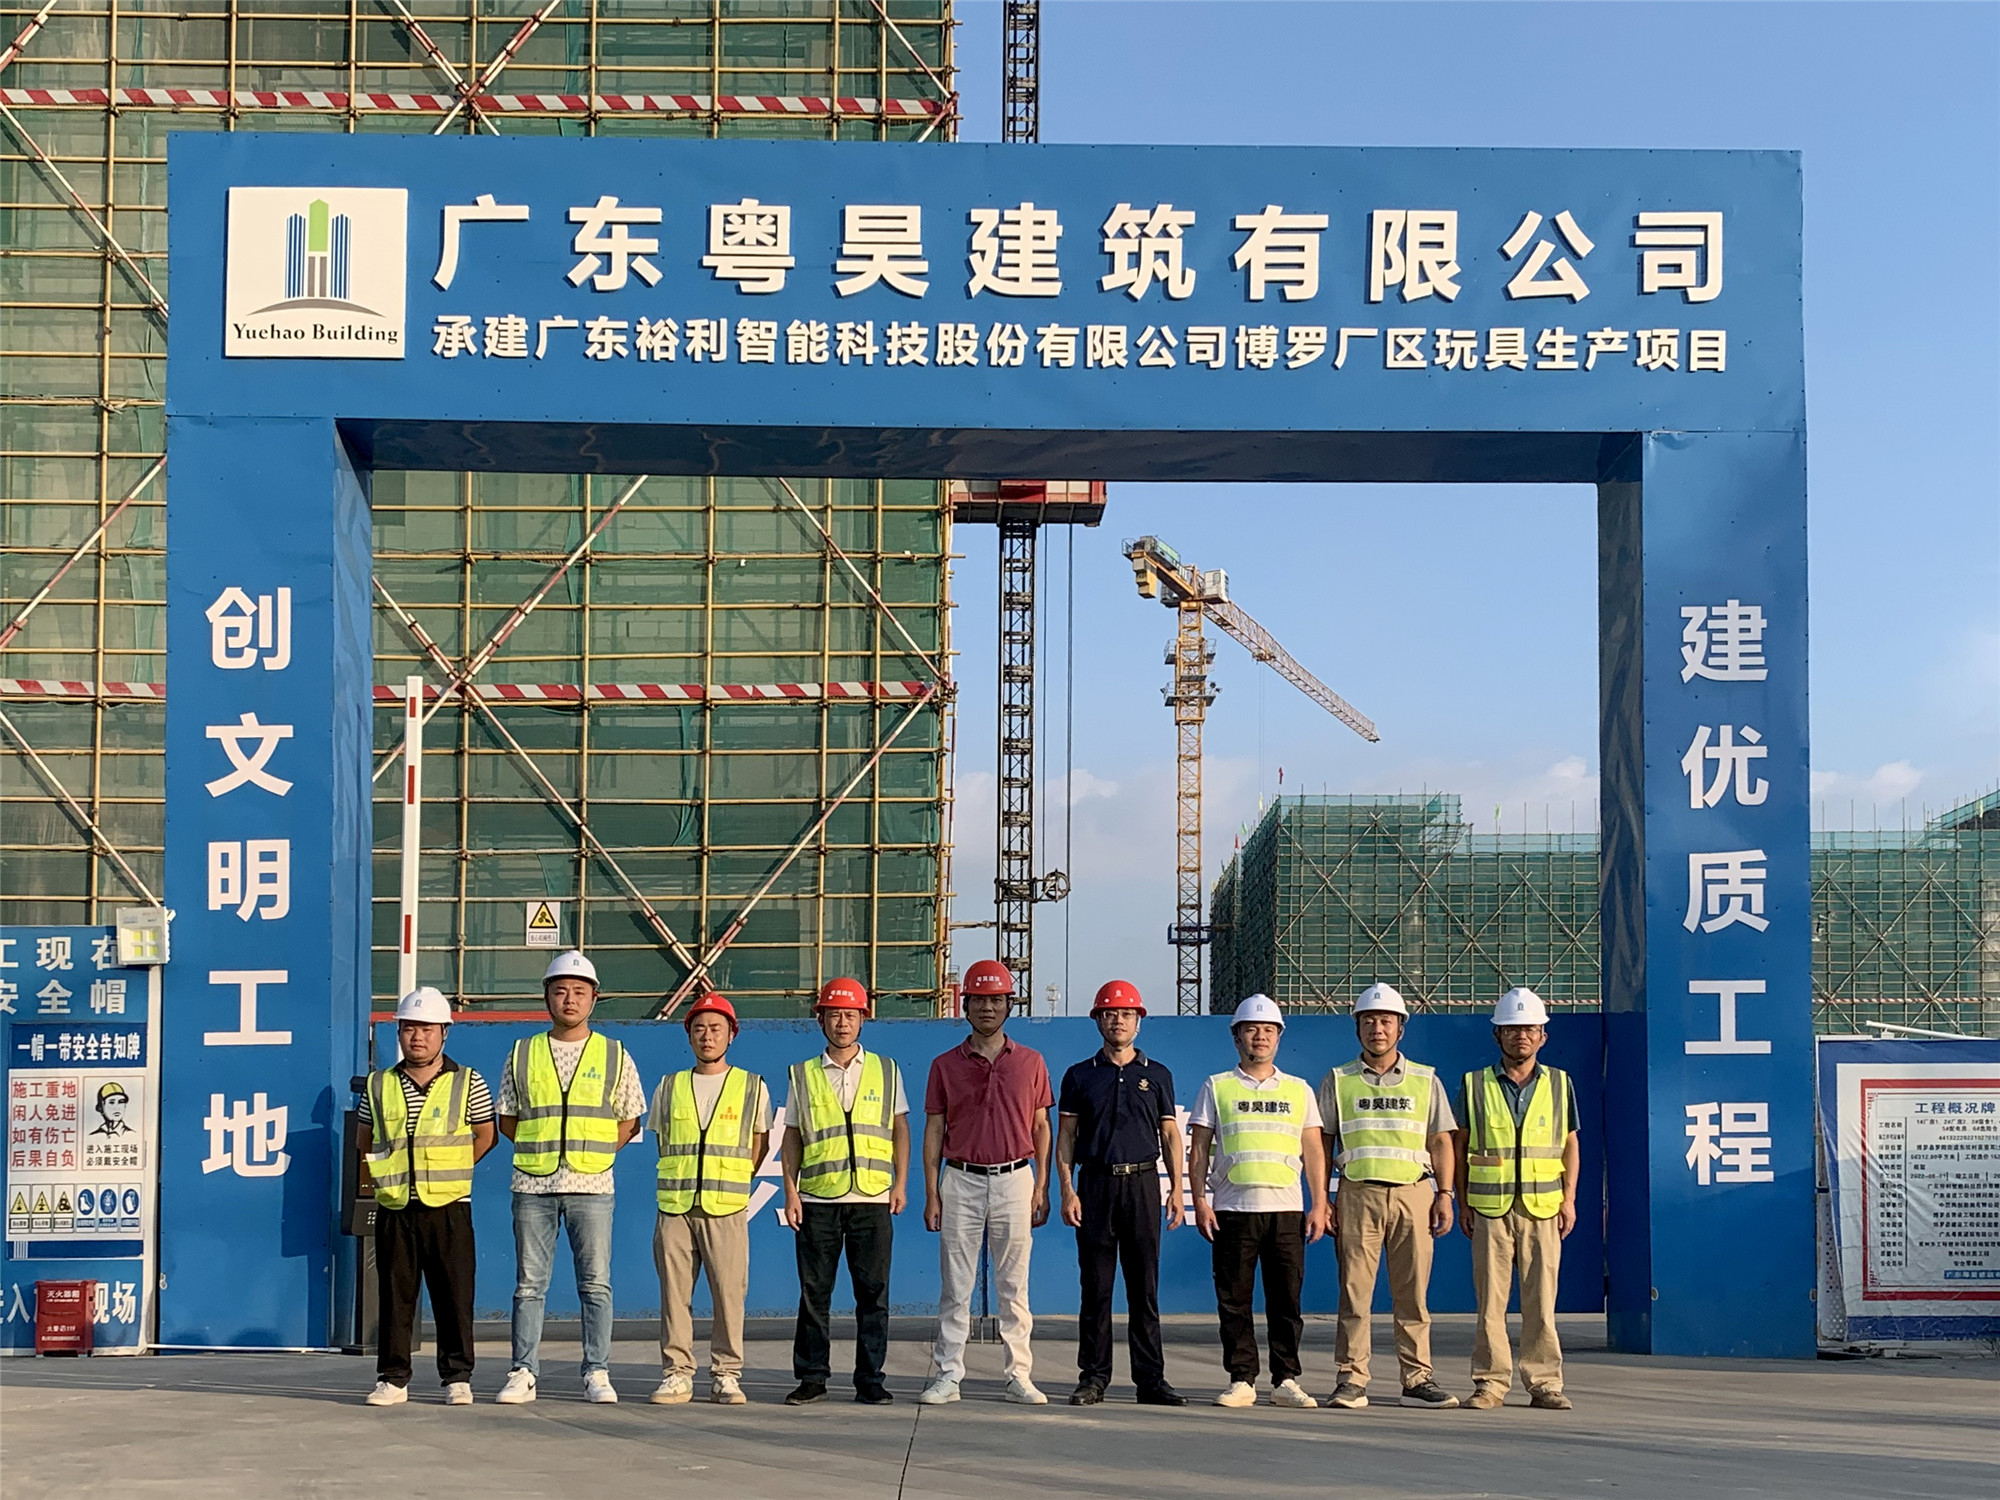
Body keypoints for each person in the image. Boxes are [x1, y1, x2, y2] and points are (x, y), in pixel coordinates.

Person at [494, 950, 646, 1406]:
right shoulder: (522, 1052)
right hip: (533, 1185)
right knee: (529, 1285)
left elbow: (629, 1120)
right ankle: (523, 1371)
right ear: (546, 997)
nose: (569, 999)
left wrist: (591, 1155)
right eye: (560, 991)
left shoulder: (614, 1053)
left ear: (594, 998)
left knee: (596, 1284)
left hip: (591, 1186)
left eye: (579, 991)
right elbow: (507, 1118)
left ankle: (597, 1371)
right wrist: (545, 1150)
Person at [917, 959, 1053, 1406]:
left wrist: (1041, 1186)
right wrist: (932, 1191)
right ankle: (948, 1375)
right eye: (979, 1000)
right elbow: (934, 1128)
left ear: (1009, 1005)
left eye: (996, 1000)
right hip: (961, 1179)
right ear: (966, 1005)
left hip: (1015, 1178)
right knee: (956, 1287)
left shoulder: (1031, 1062)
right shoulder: (944, 1065)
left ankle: (1019, 1376)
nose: (988, 1008)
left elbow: (1041, 1126)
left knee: (1014, 1287)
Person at [1318, 982, 1460, 1411]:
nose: (1377, 1029)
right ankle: (1351, 1378)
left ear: (1401, 1028)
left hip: (1413, 1194)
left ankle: (1417, 1378)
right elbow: (1322, 1142)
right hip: (1357, 1194)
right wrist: (1323, 1198)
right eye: (1369, 1021)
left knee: (1413, 1295)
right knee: (1354, 1293)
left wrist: (1445, 1194)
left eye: (1385, 1021)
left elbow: (1441, 1141)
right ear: (1357, 1028)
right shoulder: (1339, 1080)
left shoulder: (1424, 1079)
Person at [1186, 993, 1329, 1410]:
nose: (1260, 1037)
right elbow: (1199, 1149)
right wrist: (1200, 1200)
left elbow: (1313, 1150)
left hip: (1286, 1210)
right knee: (1234, 1300)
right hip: (1233, 1210)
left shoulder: (1298, 1090)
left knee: (1287, 1300)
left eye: (1268, 1030)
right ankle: (1242, 1378)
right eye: (1251, 1029)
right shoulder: (1217, 1086)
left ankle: (1286, 1379)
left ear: (1279, 1037)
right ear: (1237, 1038)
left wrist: (1319, 1203)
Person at [359, 986, 498, 1407]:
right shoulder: (378, 1084)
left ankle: (457, 1377)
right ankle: (392, 1378)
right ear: (398, 1033)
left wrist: (447, 1169)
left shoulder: (468, 1081)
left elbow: (485, 1135)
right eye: (408, 1029)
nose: (417, 1037)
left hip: (450, 1205)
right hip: (396, 1206)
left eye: (427, 1029)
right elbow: (365, 1138)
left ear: (444, 1033)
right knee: (395, 1296)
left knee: (454, 1295)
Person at [1055, 979, 1187, 1407]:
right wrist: (1067, 1189)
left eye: (1127, 1014)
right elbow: (1066, 1137)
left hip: (1143, 1184)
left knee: (1144, 1288)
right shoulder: (1080, 1075)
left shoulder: (1158, 1074)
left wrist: (1176, 1190)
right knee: (1096, 1289)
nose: (1118, 1021)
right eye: (1110, 1013)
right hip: (1095, 1185)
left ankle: (1151, 1380)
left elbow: (1170, 1135)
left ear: (1138, 1022)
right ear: (1098, 1020)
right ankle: (1093, 1377)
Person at [779, 977, 910, 1407]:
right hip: (818, 1199)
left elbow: (900, 1128)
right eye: (834, 1014)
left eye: (850, 1015)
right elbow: (792, 1136)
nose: (842, 1023)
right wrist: (791, 1192)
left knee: (874, 1295)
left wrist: (900, 1183)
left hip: (872, 1198)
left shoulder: (886, 1070)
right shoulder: (803, 1074)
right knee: (814, 1294)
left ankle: (870, 1378)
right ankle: (812, 1376)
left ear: (862, 1020)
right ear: (820, 1019)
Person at [1455, 987, 1579, 1412]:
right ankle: (1489, 1383)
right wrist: (1462, 1202)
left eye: (1528, 1028)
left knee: (1541, 1303)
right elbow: (1461, 1144)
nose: (1520, 1035)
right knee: (1490, 1304)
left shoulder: (1560, 1084)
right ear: (1497, 1035)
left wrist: (1569, 1199)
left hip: (1543, 1208)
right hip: (1490, 1209)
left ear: (1543, 1035)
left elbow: (1570, 1144)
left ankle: (1544, 1383)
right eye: (1511, 1029)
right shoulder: (1474, 1084)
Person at [647, 991, 770, 1407]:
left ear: (731, 1034)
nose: (707, 1036)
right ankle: (676, 1373)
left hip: (726, 1206)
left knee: (729, 1294)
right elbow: (663, 1142)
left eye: (716, 1028)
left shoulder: (751, 1086)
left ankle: (726, 1374)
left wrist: (731, 1182)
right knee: (674, 1294)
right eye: (699, 1028)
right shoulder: (669, 1086)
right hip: (675, 1207)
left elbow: (758, 1145)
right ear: (688, 1035)